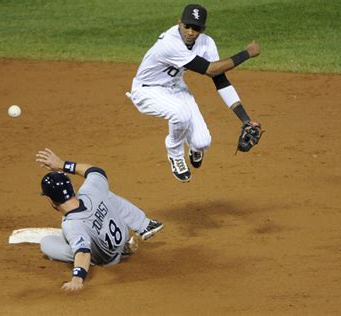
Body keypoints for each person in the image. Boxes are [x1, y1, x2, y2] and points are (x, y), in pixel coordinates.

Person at [127, 4, 262, 183]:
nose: (190, 32)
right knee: (180, 114)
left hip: (176, 88)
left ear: (202, 29)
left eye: (196, 28)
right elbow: (211, 70)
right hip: (147, 90)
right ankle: (175, 154)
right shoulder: (170, 43)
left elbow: (220, 80)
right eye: (187, 26)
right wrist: (247, 53)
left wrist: (245, 119)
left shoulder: (207, 43)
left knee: (203, 143)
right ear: (179, 23)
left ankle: (194, 147)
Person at [35, 148, 164, 292]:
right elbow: (96, 171)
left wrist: (77, 278)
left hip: (107, 259)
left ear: (52, 201)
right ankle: (143, 224)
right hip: (122, 238)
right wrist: (62, 164)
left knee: (47, 243)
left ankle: (108, 256)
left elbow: (83, 252)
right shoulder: (90, 190)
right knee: (104, 193)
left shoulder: (71, 224)